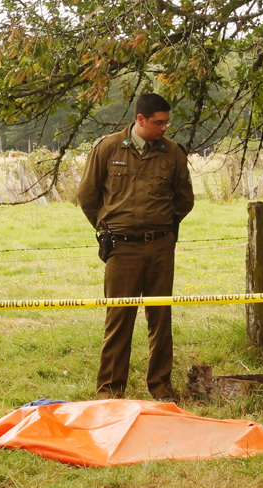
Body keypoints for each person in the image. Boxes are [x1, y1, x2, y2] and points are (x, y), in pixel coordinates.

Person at [78, 93, 194, 401]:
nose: (163, 129)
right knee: (119, 320)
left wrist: (164, 229)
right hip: (121, 249)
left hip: (159, 247)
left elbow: (184, 200)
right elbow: (88, 197)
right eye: (158, 122)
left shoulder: (172, 153)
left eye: (166, 123)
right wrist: (108, 228)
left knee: (160, 319)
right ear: (140, 120)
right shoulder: (108, 148)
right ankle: (111, 392)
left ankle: (161, 387)